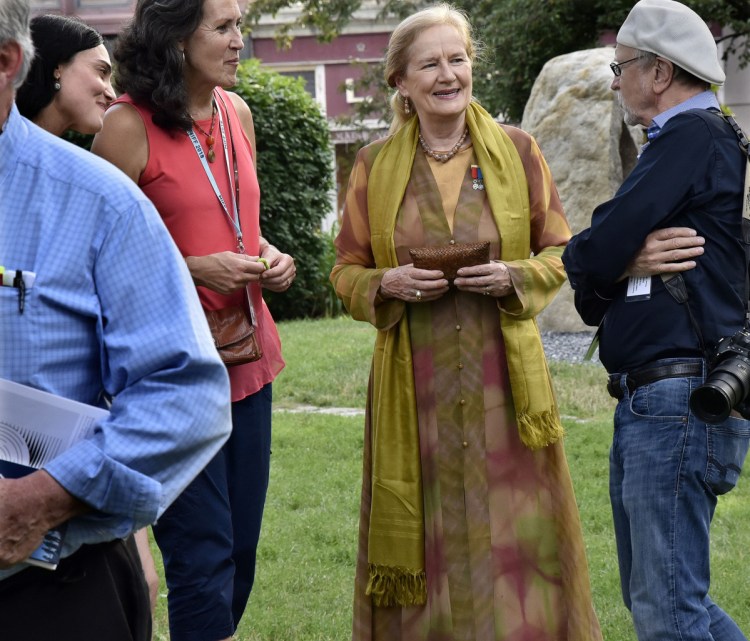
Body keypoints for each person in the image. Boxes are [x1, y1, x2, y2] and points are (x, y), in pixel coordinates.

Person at [330, 4, 602, 640]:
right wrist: (385, 282)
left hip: (503, 388)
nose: (448, 74)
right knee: (427, 536)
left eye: (458, 59)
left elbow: (562, 251)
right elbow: (344, 272)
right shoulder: (373, 166)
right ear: (401, 80)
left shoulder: (518, 150)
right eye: (430, 63)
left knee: (517, 537)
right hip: (413, 388)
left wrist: (515, 276)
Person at [0, 0, 232, 639]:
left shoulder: (100, 203)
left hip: (42, 589)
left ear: (6, 63)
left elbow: (186, 395)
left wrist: (41, 501)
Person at [92, 1, 295, 639]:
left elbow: (241, 225)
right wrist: (194, 269)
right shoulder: (127, 127)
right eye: (225, 28)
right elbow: (92, 264)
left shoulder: (238, 113)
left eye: (241, 25)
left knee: (238, 556)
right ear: (179, 39)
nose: (241, 40)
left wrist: (268, 255)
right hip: (172, 377)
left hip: (248, 362)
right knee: (200, 556)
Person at [561, 1, 750, 640]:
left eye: (623, 67)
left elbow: (602, 240)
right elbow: (610, 255)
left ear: (661, 73)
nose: (615, 81)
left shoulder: (693, 133)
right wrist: (611, 261)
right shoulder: (690, 139)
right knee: (666, 603)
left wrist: (597, 258)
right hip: (665, 399)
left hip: (675, 401)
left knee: (667, 611)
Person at [15, 12, 162, 616]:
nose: (111, 88)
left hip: (81, 506)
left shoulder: (97, 191)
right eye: (99, 72)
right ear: (50, 71)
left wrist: (138, 545)